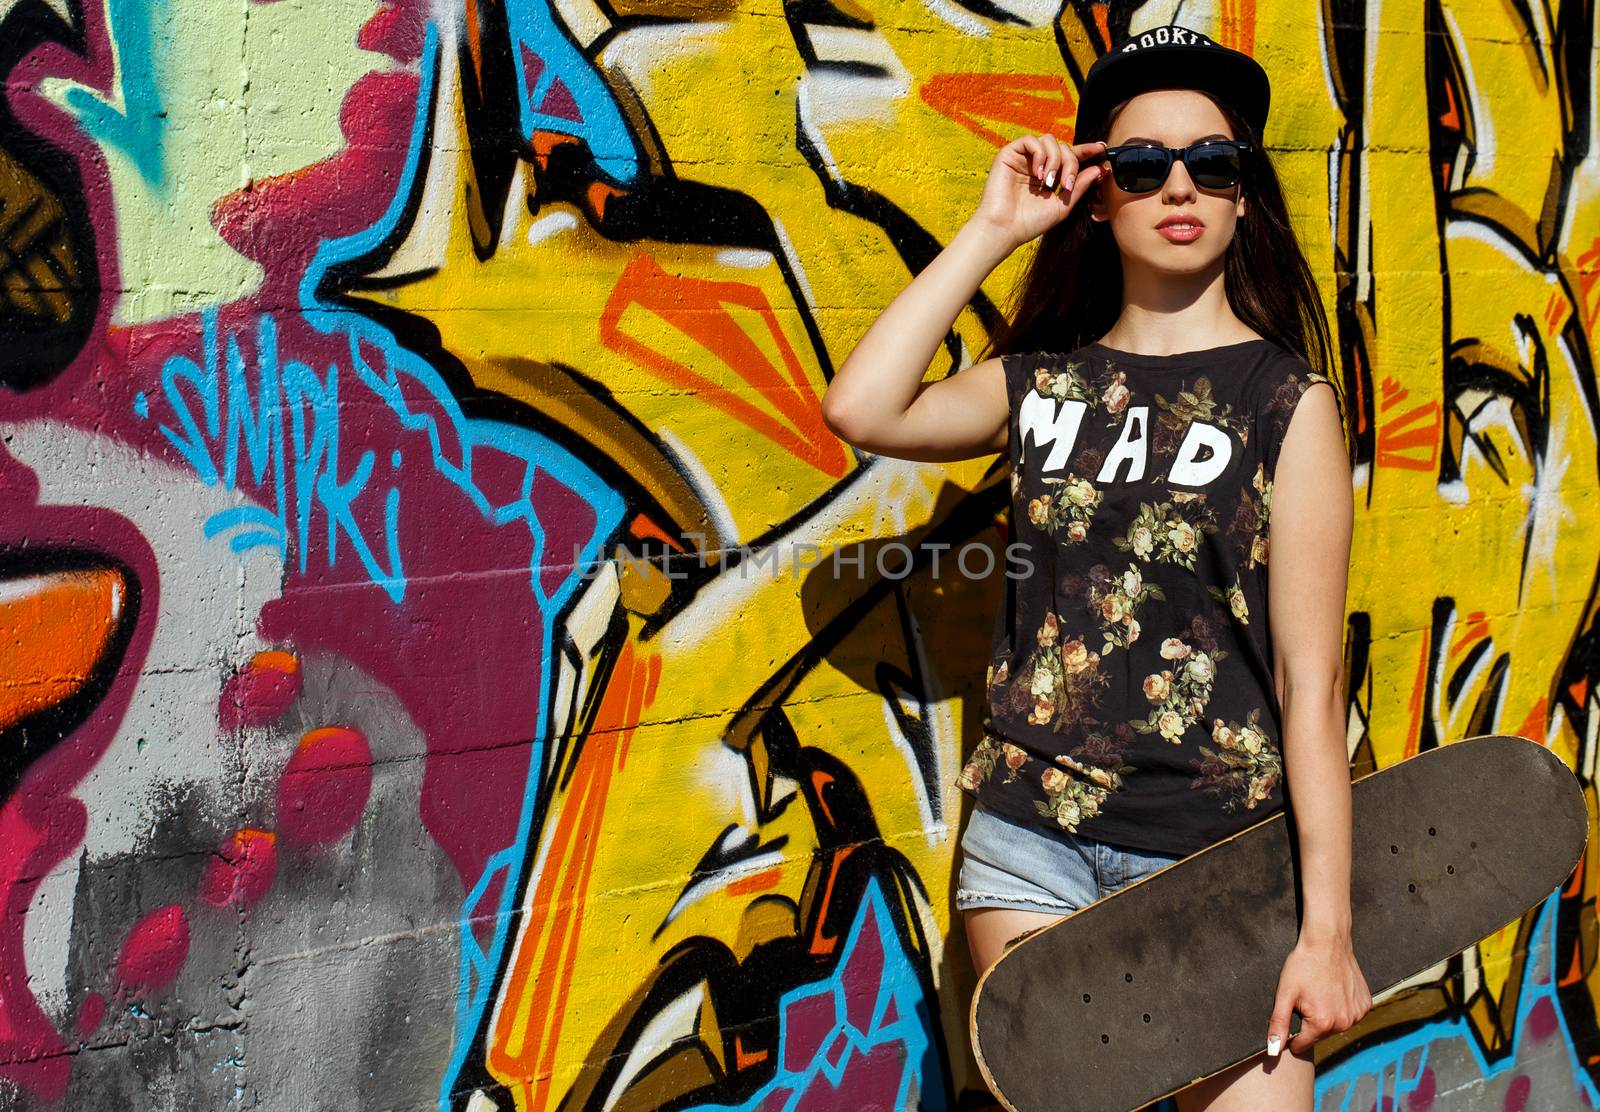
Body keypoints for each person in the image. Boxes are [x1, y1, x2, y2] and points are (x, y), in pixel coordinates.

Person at [820, 24, 1372, 1110]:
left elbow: (1315, 686)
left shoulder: (1289, 407)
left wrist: (1327, 928)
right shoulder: (1040, 386)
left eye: (1212, 164)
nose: (1179, 185)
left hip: (1228, 863)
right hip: (1035, 857)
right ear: (1099, 193)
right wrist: (992, 228)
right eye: (1139, 164)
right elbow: (862, 405)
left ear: (1246, 195)